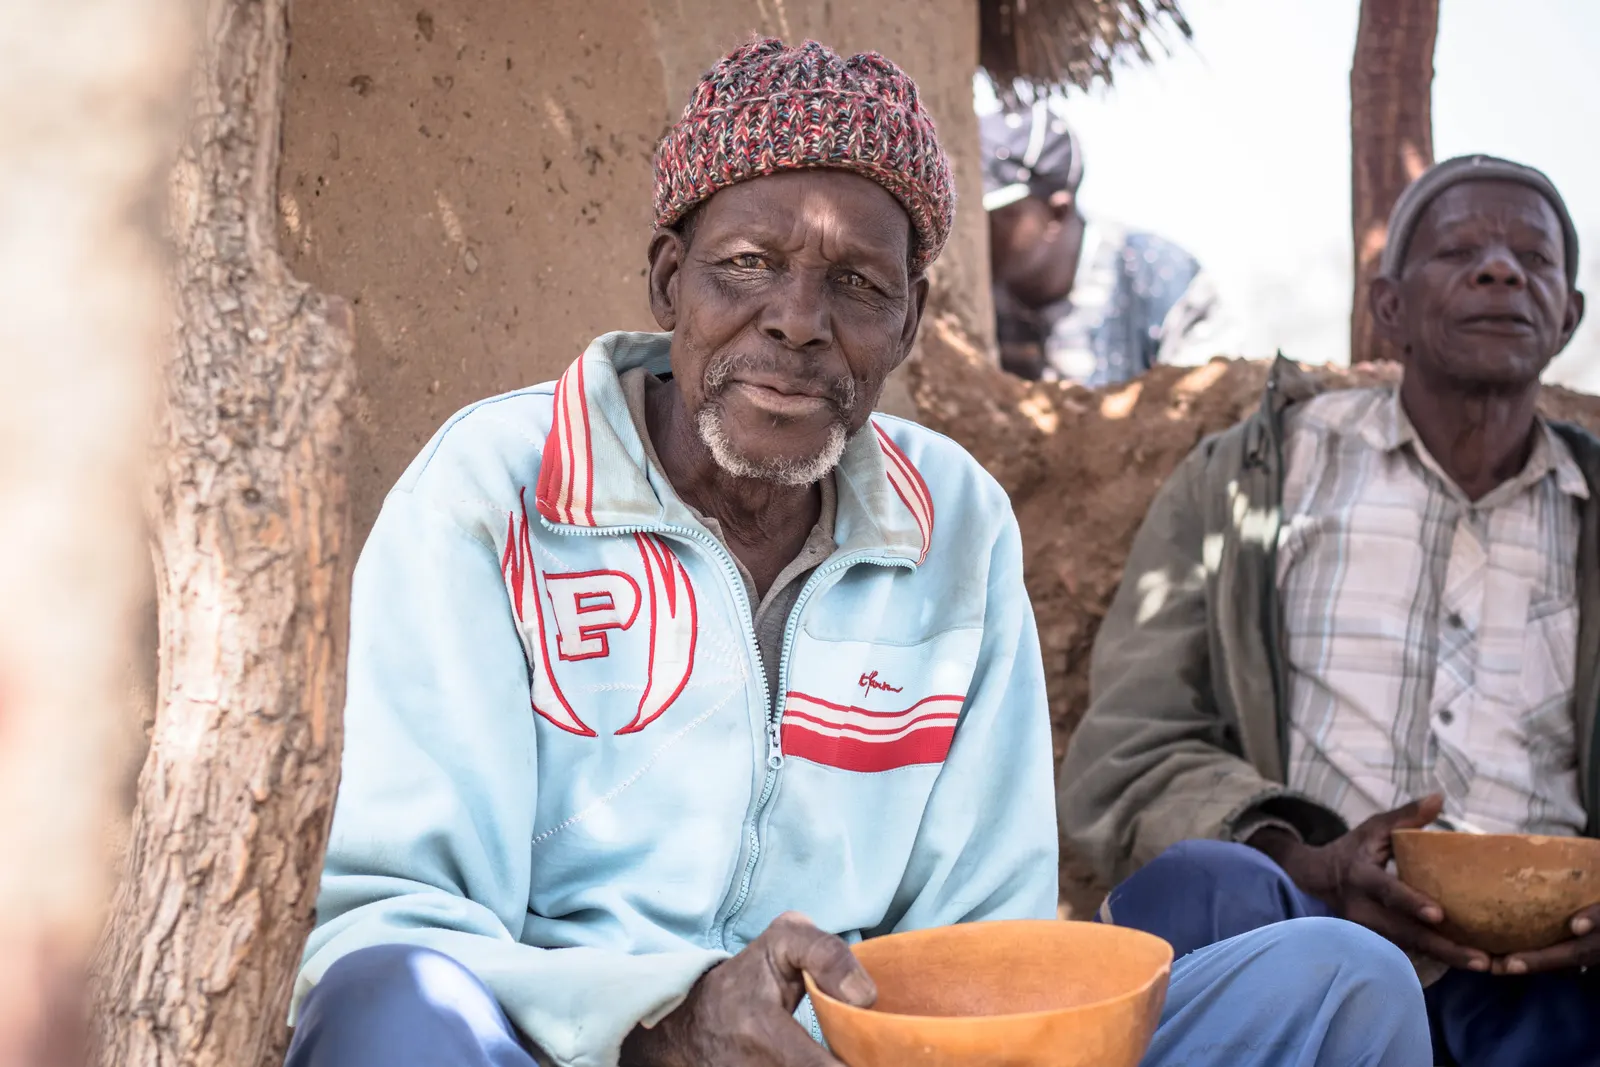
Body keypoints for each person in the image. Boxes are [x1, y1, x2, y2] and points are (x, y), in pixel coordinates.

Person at [284, 39, 1430, 1067]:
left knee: (1337, 982)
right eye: (748, 263)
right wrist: (669, 1021)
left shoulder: (954, 520)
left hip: (865, 1049)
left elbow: (982, 936)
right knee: (391, 1002)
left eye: (856, 285)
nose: (797, 319)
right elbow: (390, 919)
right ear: (669, 278)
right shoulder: (499, 484)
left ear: (910, 320)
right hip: (576, 1042)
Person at [1060, 154, 1597, 1067]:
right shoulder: (1253, 479)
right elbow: (1132, 746)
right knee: (1205, 881)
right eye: (1460, 251)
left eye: (1533, 259)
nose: (1501, 271)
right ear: (1388, 308)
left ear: (1569, 316)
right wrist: (1303, 855)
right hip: (1306, 920)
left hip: (1552, 980)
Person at [980, 100, 1234, 385]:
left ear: (1056, 213)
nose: (976, 229)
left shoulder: (1165, 283)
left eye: (995, 215)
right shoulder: (971, 291)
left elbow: (1210, 399)